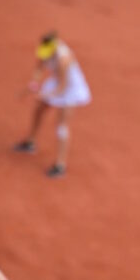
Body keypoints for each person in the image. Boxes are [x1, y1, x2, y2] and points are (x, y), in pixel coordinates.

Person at [14, 32, 92, 177]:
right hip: (56, 83)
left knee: (61, 126)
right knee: (38, 110)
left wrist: (44, 94)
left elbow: (63, 87)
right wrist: (34, 83)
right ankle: (30, 143)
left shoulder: (64, 59)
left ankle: (60, 165)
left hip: (70, 89)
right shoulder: (45, 49)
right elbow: (39, 68)